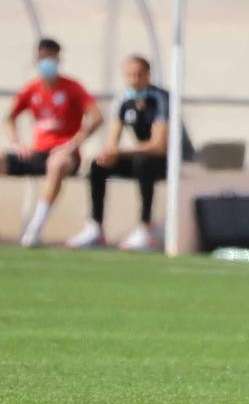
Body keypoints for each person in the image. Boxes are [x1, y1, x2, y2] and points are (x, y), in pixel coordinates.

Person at [66, 55, 189, 252]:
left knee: (143, 163)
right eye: (129, 75)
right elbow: (113, 139)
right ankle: (95, 227)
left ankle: (145, 226)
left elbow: (159, 146)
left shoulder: (160, 98)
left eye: (138, 75)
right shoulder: (124, 99)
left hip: (172, 161)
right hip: (142, 157)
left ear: (148, 75)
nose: (134, 80)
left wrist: (120, 151)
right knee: (98, 165)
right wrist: (108, 153)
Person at [4, 38, 103, 248]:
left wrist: (74, 143)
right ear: (36, 59)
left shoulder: (72, 87)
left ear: (59, 59)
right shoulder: (32, 89)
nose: (47, 62)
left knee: (56, 163)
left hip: (65, 154)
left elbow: (97, 117)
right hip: (37, 152)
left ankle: (35, 228)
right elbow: (9, 117)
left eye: (51, 58)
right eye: (43, 58)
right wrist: (17, 143)